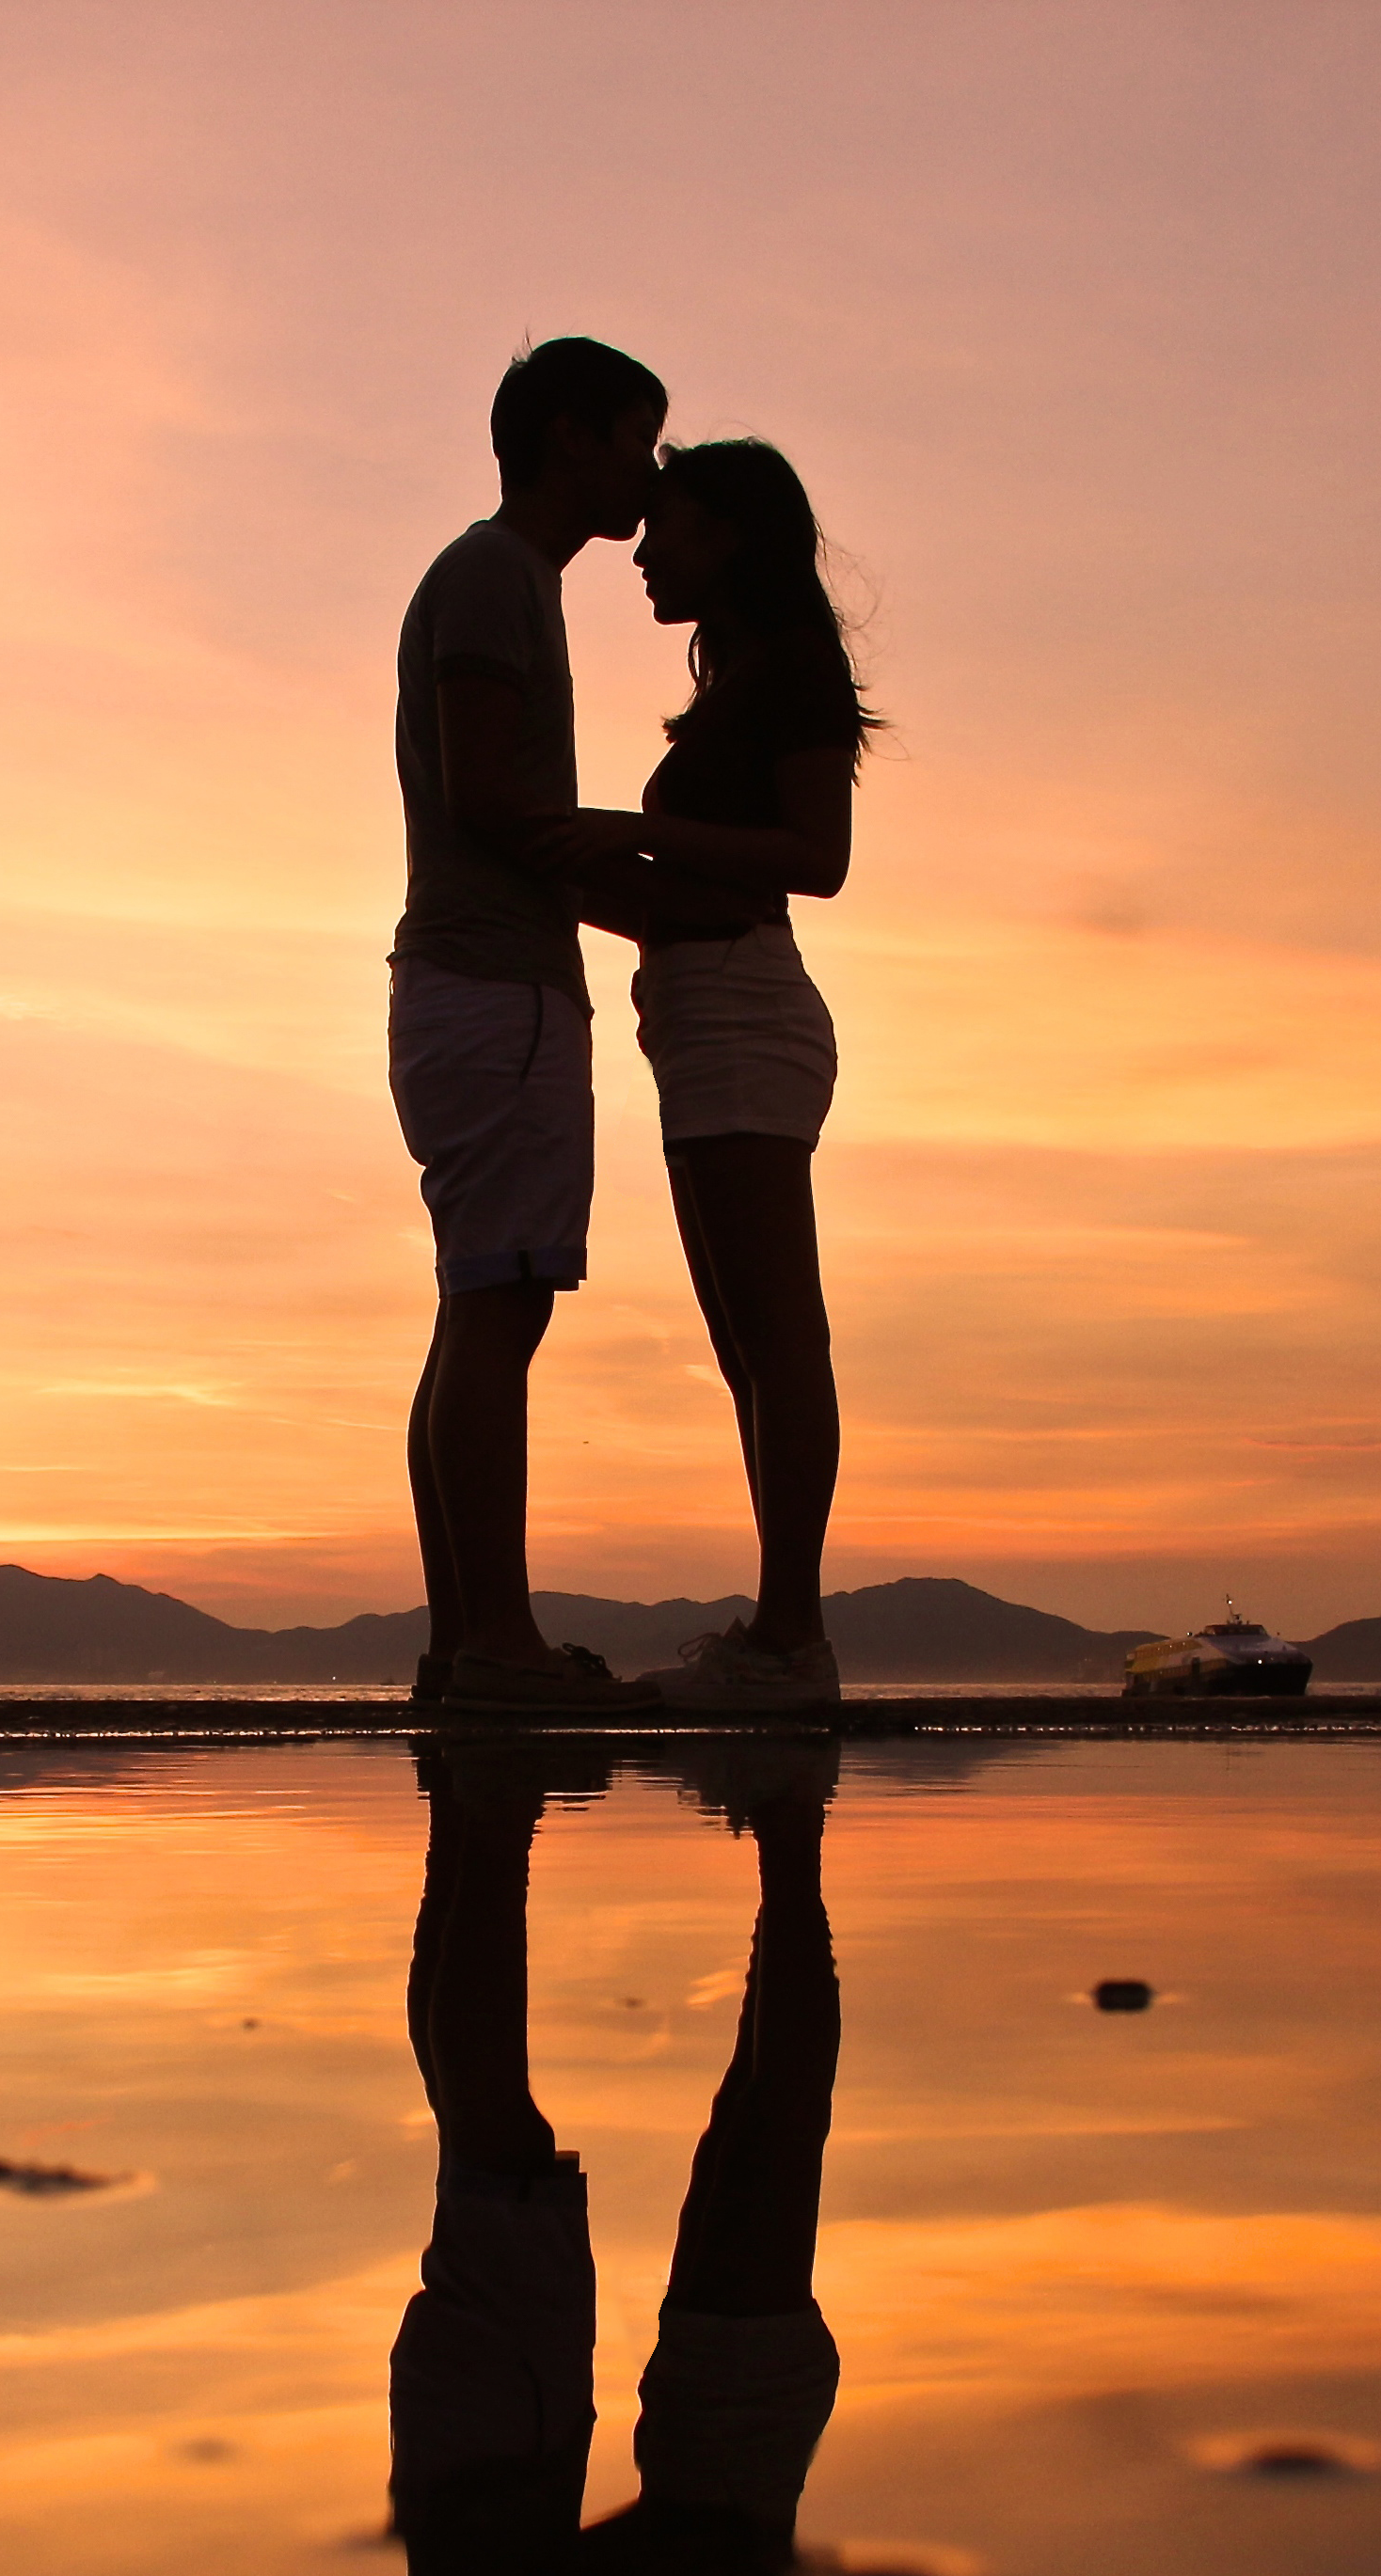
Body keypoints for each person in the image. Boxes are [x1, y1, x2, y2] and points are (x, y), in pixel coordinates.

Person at [383, 1733, 869, 2576]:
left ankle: (482, 1808)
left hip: (548, 2436)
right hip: (644, 2432)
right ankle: (514, 1813)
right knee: (723, 2125)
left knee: (513, 2141)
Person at [573, 438, 880, 1714]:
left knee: (777, 1339)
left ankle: (791, 1638)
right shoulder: (740, 682)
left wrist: (629, 829)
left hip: (747, 1014)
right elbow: (678, 901)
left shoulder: (793, 674)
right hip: (705, 1015)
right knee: (745, 1347)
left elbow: (814, 857)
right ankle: (776, 1634)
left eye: (672, 530)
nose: (644, 552)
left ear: (736, 540)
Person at [389, 339, 668, 1714]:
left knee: (474, 1311)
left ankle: (464, 1639)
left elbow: (493, 801)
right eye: (635, 434)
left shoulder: (507, 584)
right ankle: (495, 1641)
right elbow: (491, 796)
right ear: (568, 436)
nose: (649, 467)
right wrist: (652, 894)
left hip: (476, 983)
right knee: (497, 1312)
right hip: (496, 990)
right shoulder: (495, 577)